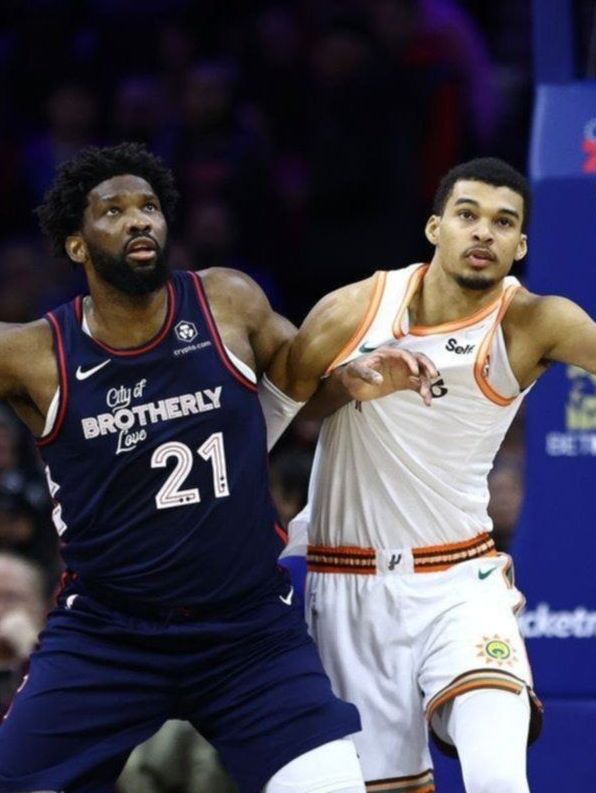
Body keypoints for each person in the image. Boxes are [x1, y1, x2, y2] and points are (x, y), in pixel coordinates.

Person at [0, 142, 436, 793]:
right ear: (75, 244)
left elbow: (297, 379)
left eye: (148, 206)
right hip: (109, 632)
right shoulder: (35, 352)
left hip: (245, 628)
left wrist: (355, 378)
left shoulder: (226, 301)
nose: (138, 220)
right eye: (113, 211)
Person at [275, 158, 596, 793]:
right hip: (347, 589)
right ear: (434, 228)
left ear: (521, 244)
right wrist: (348, 385)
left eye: (503, 223)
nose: (484, 233)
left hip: (460, 583)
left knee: (499, 777)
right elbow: (276, 415)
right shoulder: (355, 309)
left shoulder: (532, 321)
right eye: (468, 215)